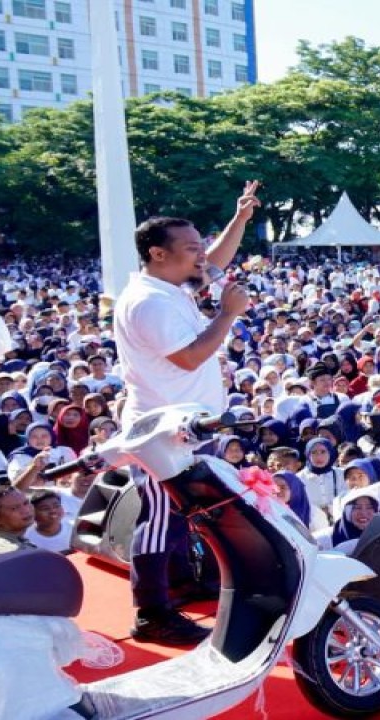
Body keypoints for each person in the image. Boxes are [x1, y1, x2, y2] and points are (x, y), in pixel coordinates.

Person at [114, 181, 259, 644]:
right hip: (161, 429)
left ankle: (176, 584)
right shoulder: (149, 302)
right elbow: (190, 356)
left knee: (181, 514)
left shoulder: (169, 285)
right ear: (159, 253)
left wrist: (240, 219)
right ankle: (151, 613)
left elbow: (215, 263)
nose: (202, 256)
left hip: (186, 425)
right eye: (191, 247)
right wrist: (228, 313)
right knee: (161, 517)